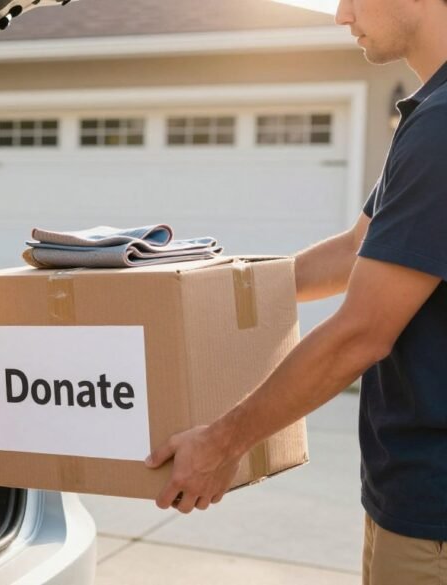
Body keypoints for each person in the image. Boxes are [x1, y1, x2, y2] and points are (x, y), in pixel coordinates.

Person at [143, 0, 447, 582]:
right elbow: (359, 248)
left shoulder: (441, 125)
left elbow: (360, 336)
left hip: (434, 514)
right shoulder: (430, 113)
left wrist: (220, 443)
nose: (340, 14)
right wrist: (211, 294)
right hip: (408, 497)